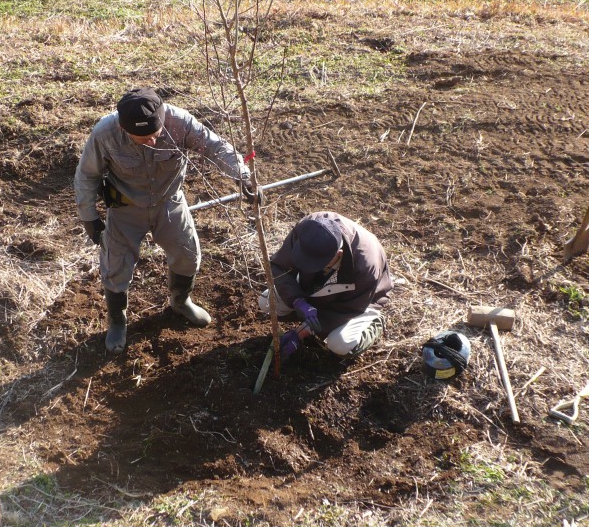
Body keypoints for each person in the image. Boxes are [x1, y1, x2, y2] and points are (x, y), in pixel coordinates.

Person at [75, 87, 259, 355]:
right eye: (140, 139)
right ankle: (117, 319)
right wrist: (89, 217)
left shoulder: (180, 122)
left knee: (188, 254)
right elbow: (86, 175)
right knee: (115, 267)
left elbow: (215, 146)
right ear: (124, 129)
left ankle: (181, 300)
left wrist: (243, 176)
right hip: (125, 209)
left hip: (169, 203)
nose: (149, 142)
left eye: (153, 136)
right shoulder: (105, 132)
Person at [259, 211, 393, 359]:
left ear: (338, 254)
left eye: (314, 264)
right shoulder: (309, 229)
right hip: (318, 291)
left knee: (341, 343)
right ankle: (311, 318)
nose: (306, 266)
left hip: (359, 303)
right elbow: (279, 266)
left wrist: (300, 334)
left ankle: (375, 323)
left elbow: (346, 310)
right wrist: (297, 300)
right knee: (267, 301)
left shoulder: (366, 266)